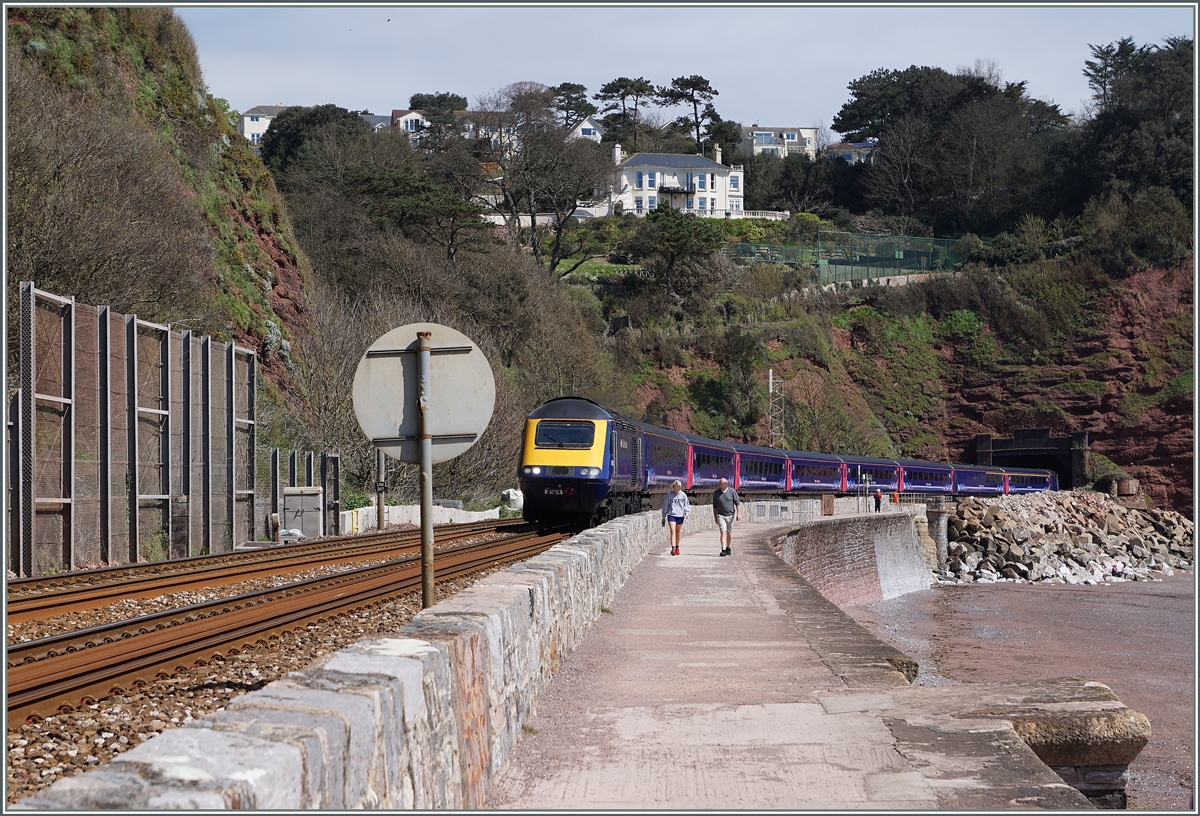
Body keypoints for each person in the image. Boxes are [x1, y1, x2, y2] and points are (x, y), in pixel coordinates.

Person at [712, 477, 740, 557]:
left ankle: (728, 547)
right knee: (723, 532)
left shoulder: (732, 491)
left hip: (730, 515)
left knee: (729, 533)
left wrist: (739, 514)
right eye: (723, 483)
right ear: (720, 485)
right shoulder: (716, 493)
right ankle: (723, 549)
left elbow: (737, 503)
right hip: (721, 515)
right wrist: (715, 517)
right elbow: (715, 506)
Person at [661, 480, 689, 556]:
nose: (677, 489)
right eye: (676, 487)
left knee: (678, 532)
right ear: (673, 487)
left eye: (679, 487)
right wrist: (663, 515)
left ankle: (677, 547)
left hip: (680, 515)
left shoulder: (683, 495)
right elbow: (665, 505)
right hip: (671, 515)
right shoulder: (669, 495)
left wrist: (686, 513)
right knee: (672, 531)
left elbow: (686, 505)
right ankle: (673, 548)